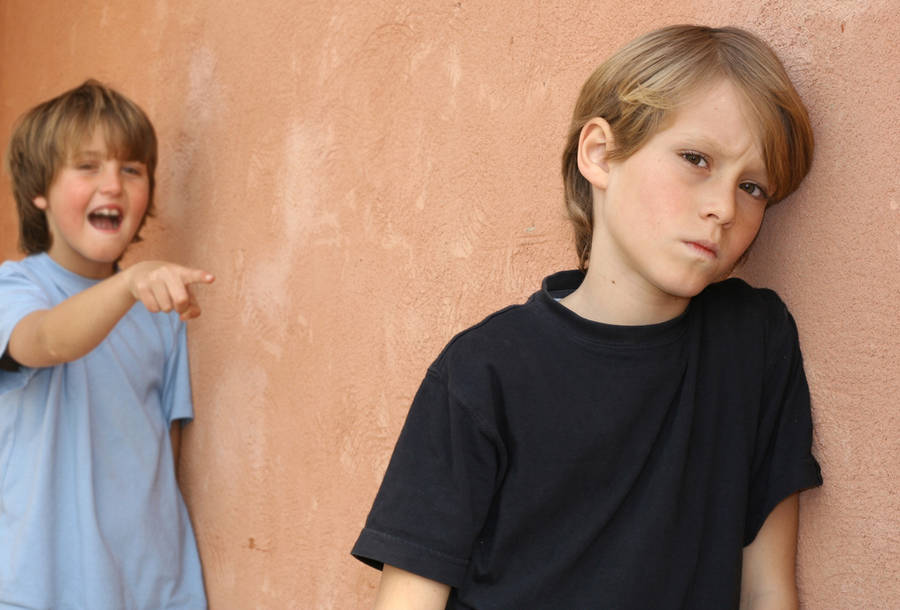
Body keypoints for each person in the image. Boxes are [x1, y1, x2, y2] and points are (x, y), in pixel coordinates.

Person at [352, 25, 823, 609]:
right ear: (600, 155)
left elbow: (768, 591)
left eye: (753, 187)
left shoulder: (754, 343)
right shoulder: (484, 372)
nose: (723, 208)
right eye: (696, 159)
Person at [0, 80, 211, 608]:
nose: (113, 185)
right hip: (38, 591)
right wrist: (127, 284)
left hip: (154, 593)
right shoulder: (17, 289)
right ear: (38, 190)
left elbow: (165, 460)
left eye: (131, 169)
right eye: (87, 166)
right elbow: (47, 340)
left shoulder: (161, 313)